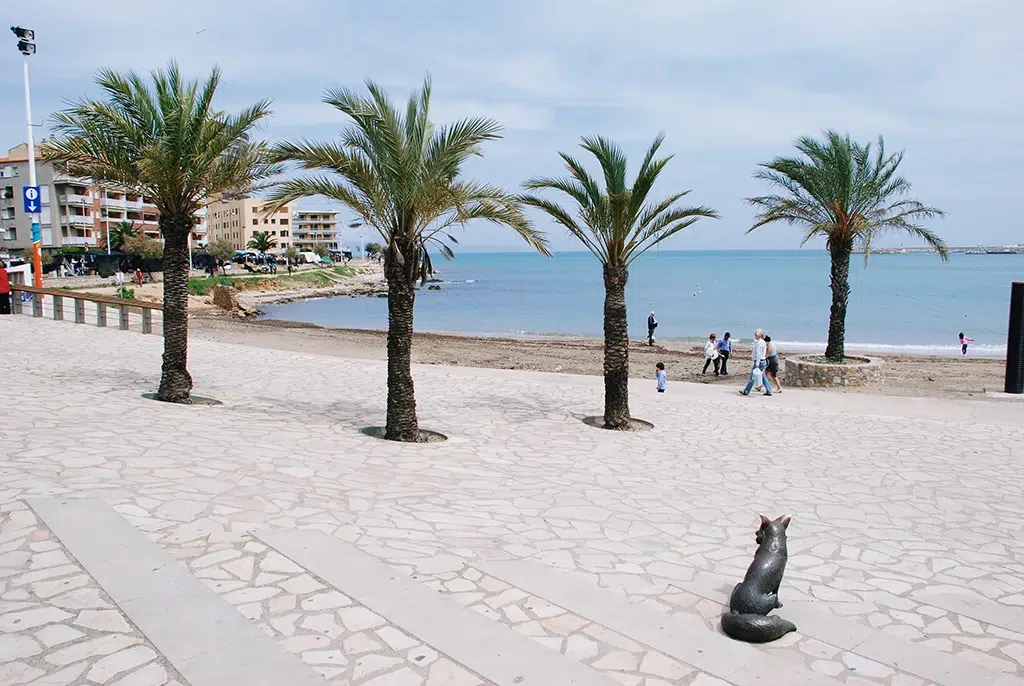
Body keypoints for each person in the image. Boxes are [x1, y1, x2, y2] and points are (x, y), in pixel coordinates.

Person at [741, 329, 772, 396]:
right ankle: (769, 390)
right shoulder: (763, 342)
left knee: (753, 377)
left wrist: (757, 364)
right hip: (763, 361)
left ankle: (746, 391)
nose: (755, 336)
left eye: (755, 334)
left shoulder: (759, 343)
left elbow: (758, 354)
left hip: (759, 361)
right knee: (763, 377)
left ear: (758, 335)